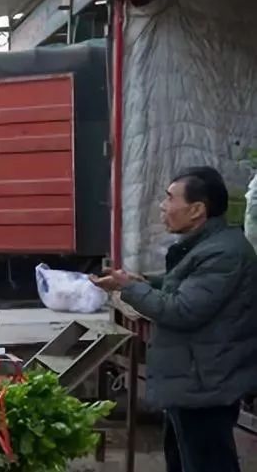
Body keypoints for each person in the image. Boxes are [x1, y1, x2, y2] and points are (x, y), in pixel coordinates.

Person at [90, 167, 257, 472]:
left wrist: (130, 289)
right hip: (194, 379)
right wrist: (142, 282)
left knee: (206, 462)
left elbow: (181, 309)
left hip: (206, 384)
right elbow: (185, 285)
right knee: (183, 460)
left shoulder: (224, 253)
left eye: (169, 198)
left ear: (196, 210)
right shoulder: (209, 246)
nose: (163, 207)